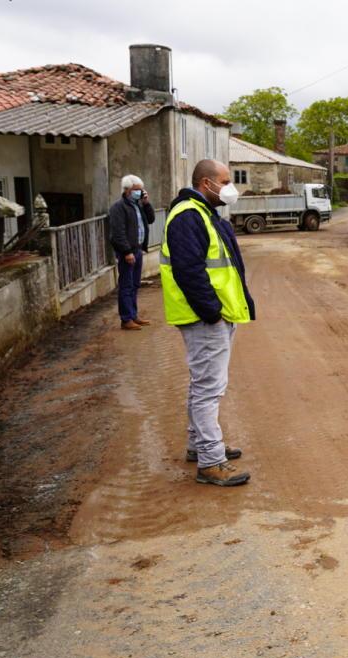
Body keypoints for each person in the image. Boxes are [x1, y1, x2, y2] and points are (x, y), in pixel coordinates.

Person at [161, 159, 256, 487]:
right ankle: (211, 462)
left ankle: (198, 447)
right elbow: (189, 271)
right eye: (226, 181)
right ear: (206, 183)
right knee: (208, 389)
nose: (231, 187)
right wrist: (212, 312)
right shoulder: (188, 216)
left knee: (202, 385)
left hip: (209, 317)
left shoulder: (203, 213)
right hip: (203, 319)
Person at [108, 175, 155, 330]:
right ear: (127, 190)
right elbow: (118, 233)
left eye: (141, 190)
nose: (139, 192)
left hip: (138, 249)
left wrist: (146, 204)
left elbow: (151, 219)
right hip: (127, 252)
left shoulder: (138, 206)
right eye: (136, 190)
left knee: (134, 285)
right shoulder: (118, 208)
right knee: (126, 286)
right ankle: (126, 319)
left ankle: (133, 315)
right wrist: (127, 252)